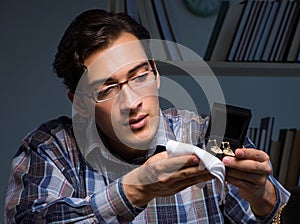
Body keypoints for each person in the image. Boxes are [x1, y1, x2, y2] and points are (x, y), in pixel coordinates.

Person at [4, 9, 290, 223]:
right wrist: (135, 189)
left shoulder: (204, 135)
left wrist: (263, 198)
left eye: (139, 76)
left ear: (155, 72)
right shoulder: (52, 149)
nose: (131, 102)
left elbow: (279, 217)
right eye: (107, 89)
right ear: (79, 104)